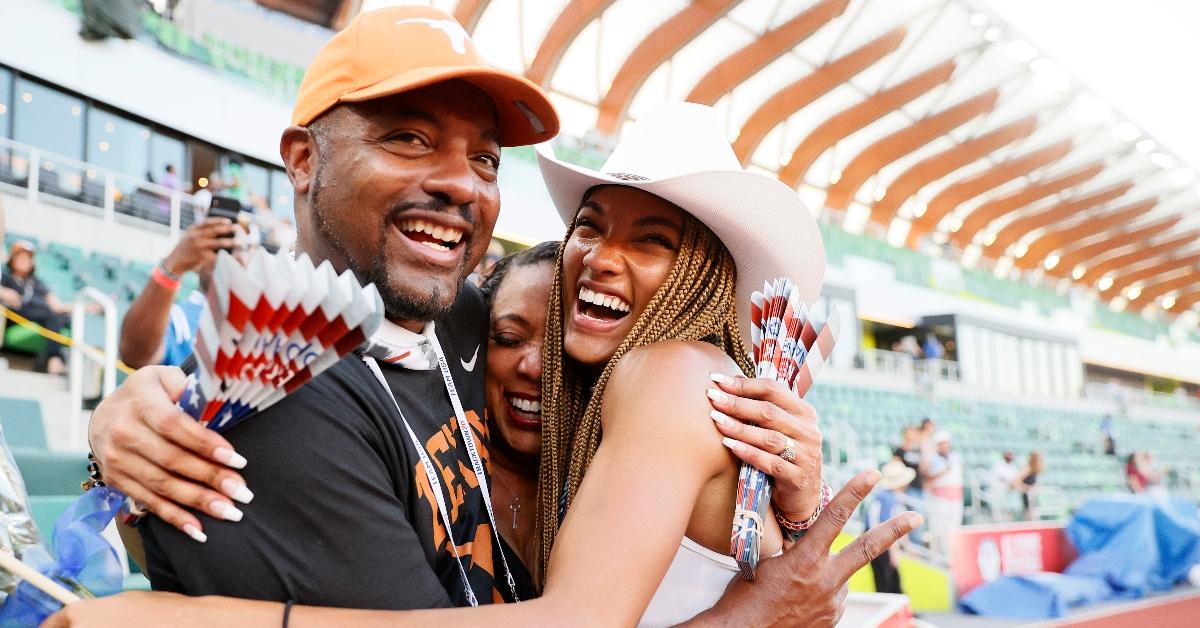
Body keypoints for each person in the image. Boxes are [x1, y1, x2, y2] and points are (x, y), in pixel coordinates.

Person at [57, 8, 917, 626]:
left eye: (485, 158)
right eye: (407, 139)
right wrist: (124, 415)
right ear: (303, 157)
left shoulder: (476, 324)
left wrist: (792, 506)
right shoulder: (275, 393)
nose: (461, 184)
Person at [118, 216, 241, 368]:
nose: (228, 256)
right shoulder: (179, 317)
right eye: (217, 247)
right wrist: (173, 265)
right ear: (198, 262)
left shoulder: (260, 323)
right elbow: (134, 354)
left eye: (237, 248)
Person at [0, 241, 87, 374]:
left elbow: (57, 306)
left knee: (65, 318)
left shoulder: (37, 283)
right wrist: (4, 292)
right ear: (12, 259)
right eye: (21, 257)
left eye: (28, 258)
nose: (25, 261)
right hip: (18, 314)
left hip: (42, 315)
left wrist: (85, 307)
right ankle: (54, 359)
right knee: (51, 315)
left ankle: (68, 362)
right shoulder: (5, 277)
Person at [867, 460, 916, 594]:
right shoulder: (887, 498)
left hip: (878, 544)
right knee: (887, 581)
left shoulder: (887, 497)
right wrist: (894, 552)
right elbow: (886, 527)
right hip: (881, 545)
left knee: (887, 581)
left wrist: (906, 546)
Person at [924, 430, 963, 556]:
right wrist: (943, 471)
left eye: (945, 443)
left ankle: (951, 554)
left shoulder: (956, 457)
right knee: (939, 528)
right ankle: (938, 555)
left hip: (956, 498)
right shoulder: (933, 459)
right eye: (941, 444)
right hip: (939, 498)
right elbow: (928, 477)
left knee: (954, 527)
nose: (944, 446)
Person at [989, 450, 1020, 521]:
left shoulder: (1013, 466)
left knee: (1010, 510)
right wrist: (1010, 482)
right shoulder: (999, 465)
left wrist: (1014, 484)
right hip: (999, 491)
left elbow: (1016, 478)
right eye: (1008, 455)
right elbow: (1001, 477)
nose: (1010, 457)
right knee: (1000, 510)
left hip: (1010, 491)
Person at [1015, 451, 1042, 521]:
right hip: (1027, 494)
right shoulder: (1027, 468)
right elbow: (1017, 481)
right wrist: (1027, 488)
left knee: (1034, 513)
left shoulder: (1034, 469)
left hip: (1033, 494)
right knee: (1028, 513)